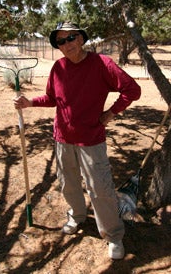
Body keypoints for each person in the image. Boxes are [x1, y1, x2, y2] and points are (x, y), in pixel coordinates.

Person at [14, 21, 141, 259]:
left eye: (70, 38)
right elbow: (52, 98)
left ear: (81, 38)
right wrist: (29, 102)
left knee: (100, 189)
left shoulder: (102, 64)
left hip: (91, 139)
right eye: (61, 41)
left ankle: (114, 236)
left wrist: (110, 113)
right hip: (62, 138)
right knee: (68, 184)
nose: (66, 44)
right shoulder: (58, 67)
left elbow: (131, 90)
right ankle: (77, 216)